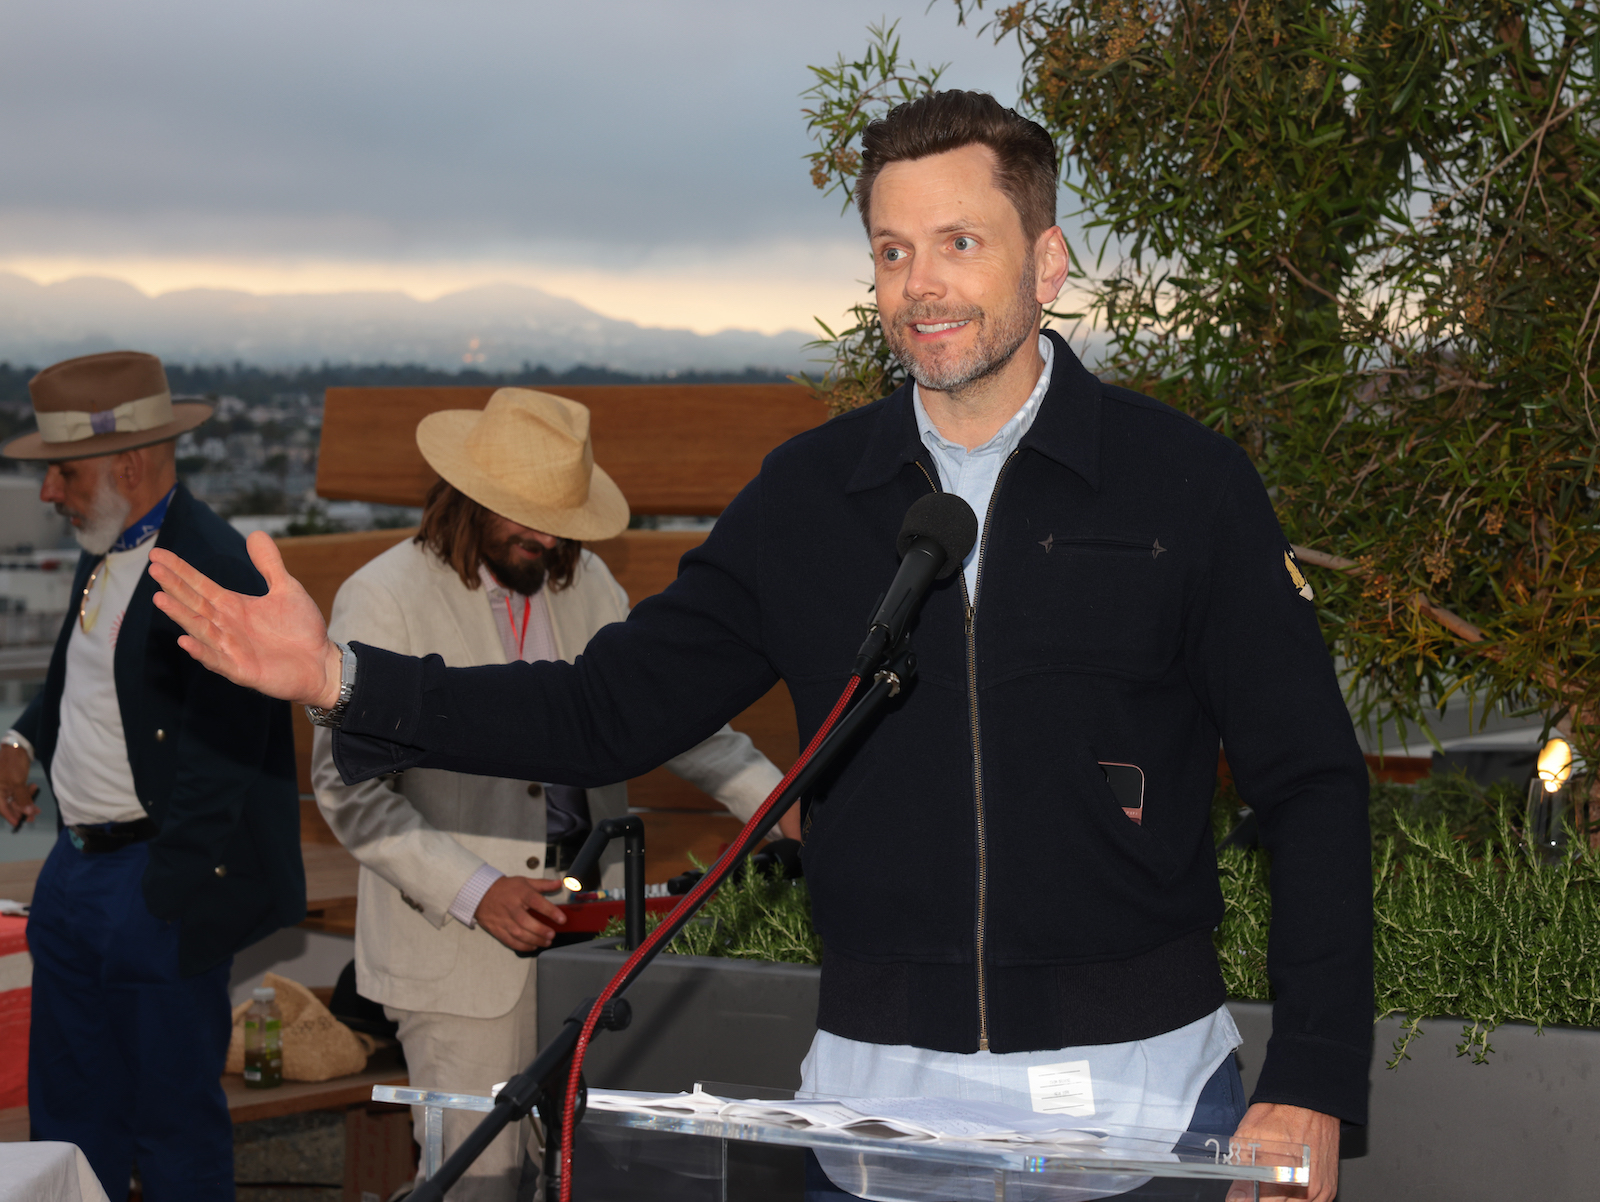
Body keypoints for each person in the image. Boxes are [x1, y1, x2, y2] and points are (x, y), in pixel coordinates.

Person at [149, 92, 1371, 1202]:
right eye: (891, 250)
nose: (920, 284)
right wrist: (338, 677)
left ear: (1046, 261)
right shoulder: (810, 497)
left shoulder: (1185, 485)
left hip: (1140, 1099)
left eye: (959, 242)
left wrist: (1312, 1067)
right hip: (874, 1110)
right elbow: (605, 709)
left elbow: (1309, 782)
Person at [313, 388, 790, 1200]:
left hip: (592, 951)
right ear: (466, 498)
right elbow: (348, 790)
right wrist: (477, 890)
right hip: (458, 961)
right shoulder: (382, 595)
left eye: (557, 517)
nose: (543, 535)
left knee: (591, 1171)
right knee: (480, 1183)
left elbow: (670, 716)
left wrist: (786, 806)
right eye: (521, 515)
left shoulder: (590, 582)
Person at [0, 350, 303, 1201]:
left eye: (61, 471)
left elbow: (226, 750)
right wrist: (21, 745)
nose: (49, 492)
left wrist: (166, 889)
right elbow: (77, 687)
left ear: (125, 463)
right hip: (75, 881)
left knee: (172, 1132)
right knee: (67, 1123)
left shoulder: (213, 567)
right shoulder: (107, 551)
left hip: (152, 882)